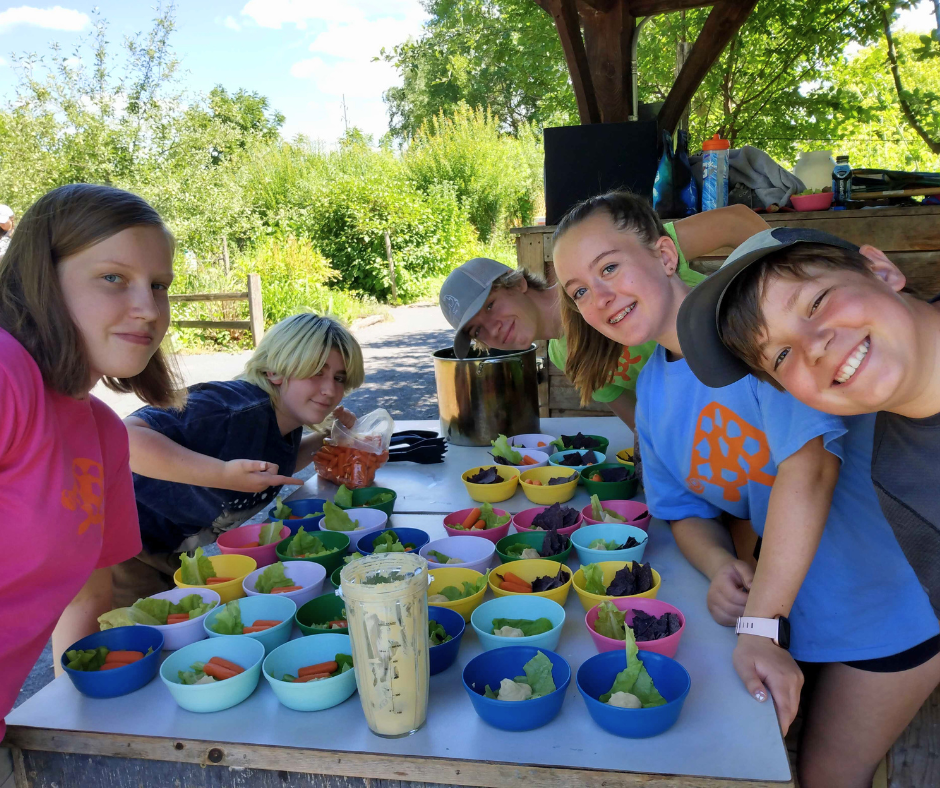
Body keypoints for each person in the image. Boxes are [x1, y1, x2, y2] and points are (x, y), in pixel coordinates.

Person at [551, 192, 940, 788]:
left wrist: (759, 622)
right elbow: (683, 510)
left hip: (886, 608)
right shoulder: (653, 392)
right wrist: (719, 566)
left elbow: (809, 467)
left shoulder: (761, 341)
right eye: (578, 291)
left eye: (609, 267)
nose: (597, 298)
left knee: (829, 774)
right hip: (789, 616)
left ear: (662, 253)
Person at [676, 227, 940, 617]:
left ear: (881, 271)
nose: (813, 346)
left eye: (817, 303)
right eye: (781, 356)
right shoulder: (899, 484)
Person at [0, 184, 181, 737]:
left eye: (159, 285)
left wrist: (73, 717)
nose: (149, 309)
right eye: (113, 278)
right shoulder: (7, 373)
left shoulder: (102, 430)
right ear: (43, 281)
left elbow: (88, 596)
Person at [114, 312, 364, 606]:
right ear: (275, 371)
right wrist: (222, 473)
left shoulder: (287, 419)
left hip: (172, 550)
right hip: (122, 546)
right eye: (316, 372)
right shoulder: (231, 408)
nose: (330, 390)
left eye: (339, 378)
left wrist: (333, 440)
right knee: (135, 641)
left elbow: (276, 466)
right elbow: (125, 438)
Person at [438, 205, 768, 427]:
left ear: (518, 283)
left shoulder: (627, 254)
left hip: (768, 380)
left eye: (491, 306)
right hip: (726, 432)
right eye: (478, 330)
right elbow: (640, 419)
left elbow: (734, 222)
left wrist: (786, 288)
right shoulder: (563, 354)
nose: (492, 328)